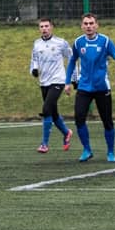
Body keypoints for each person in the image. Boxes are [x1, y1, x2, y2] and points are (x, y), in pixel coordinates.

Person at [64, 13, 115, 163]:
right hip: (84, 87)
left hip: (102, 87)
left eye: (91, 23)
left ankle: (110, 152)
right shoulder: (78, 42)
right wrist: (67, 82)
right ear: (82, 26)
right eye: (86, 23)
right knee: (79, 118)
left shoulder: (105, 41)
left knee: (107, 121)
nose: (89, 26)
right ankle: (87, 150)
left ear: (97, 25)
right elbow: (72, 61)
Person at [30, 18, 73, 154]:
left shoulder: (61, 43)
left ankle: (44, 144)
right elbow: (34, 59)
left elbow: (71, 58)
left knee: (46, 109)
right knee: (53, 114)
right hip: (44, 82)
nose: (44, 29)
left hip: (58, 80)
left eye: (46, 26)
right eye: (41, 26)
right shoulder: (37, 44)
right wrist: (34, 69)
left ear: (51, 27)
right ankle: (66, 133)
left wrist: (73, 78)